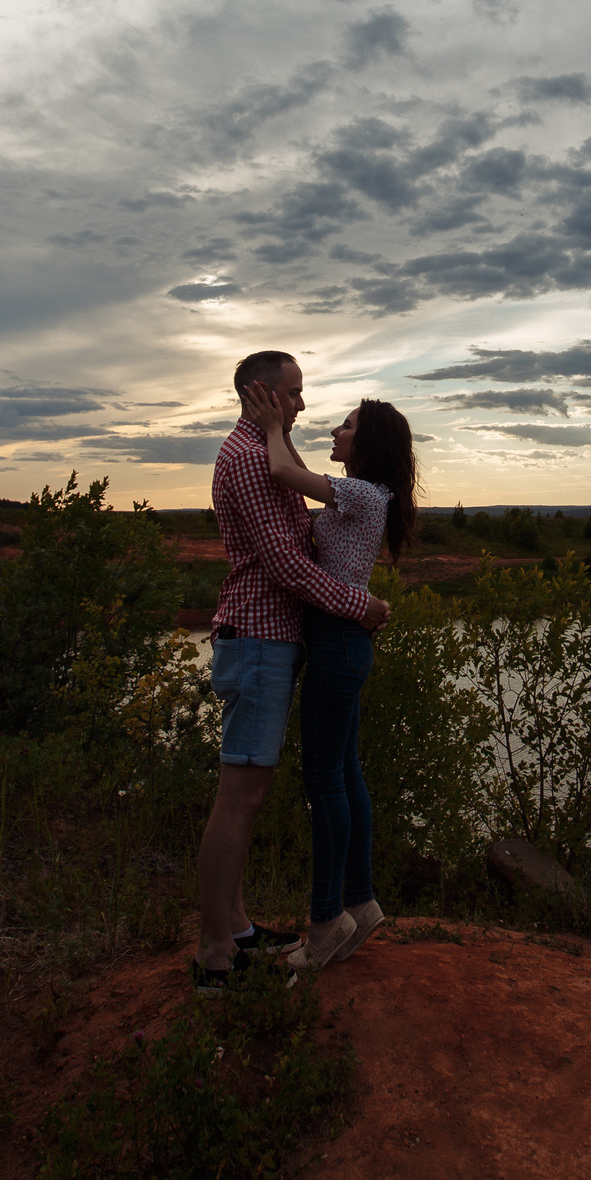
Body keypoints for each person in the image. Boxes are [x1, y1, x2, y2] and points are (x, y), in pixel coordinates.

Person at [193, 350, 391, 996]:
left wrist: (281, 432)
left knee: (251, 794)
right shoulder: (251, 459)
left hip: (274, 639)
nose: (304, 405)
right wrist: (362, 603)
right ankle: (215, 953)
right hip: (257, 638)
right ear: (263, 393)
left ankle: (239, 925)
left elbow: (301, 514)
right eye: (295, 394)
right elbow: (286, 564)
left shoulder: (267, 451)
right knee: (240, 795)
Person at [240, 383, 416, 971]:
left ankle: (324, 921)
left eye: (346, 426)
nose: (336, 431)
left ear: (369, 443)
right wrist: (283, 432)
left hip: (338, 644)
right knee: (344, 773)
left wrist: (271, 427)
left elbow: (285, 475)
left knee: (323, 779)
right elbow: (298, 469)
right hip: (344, 644)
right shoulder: (365, 494)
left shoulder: (364, 495)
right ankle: (360, 904)